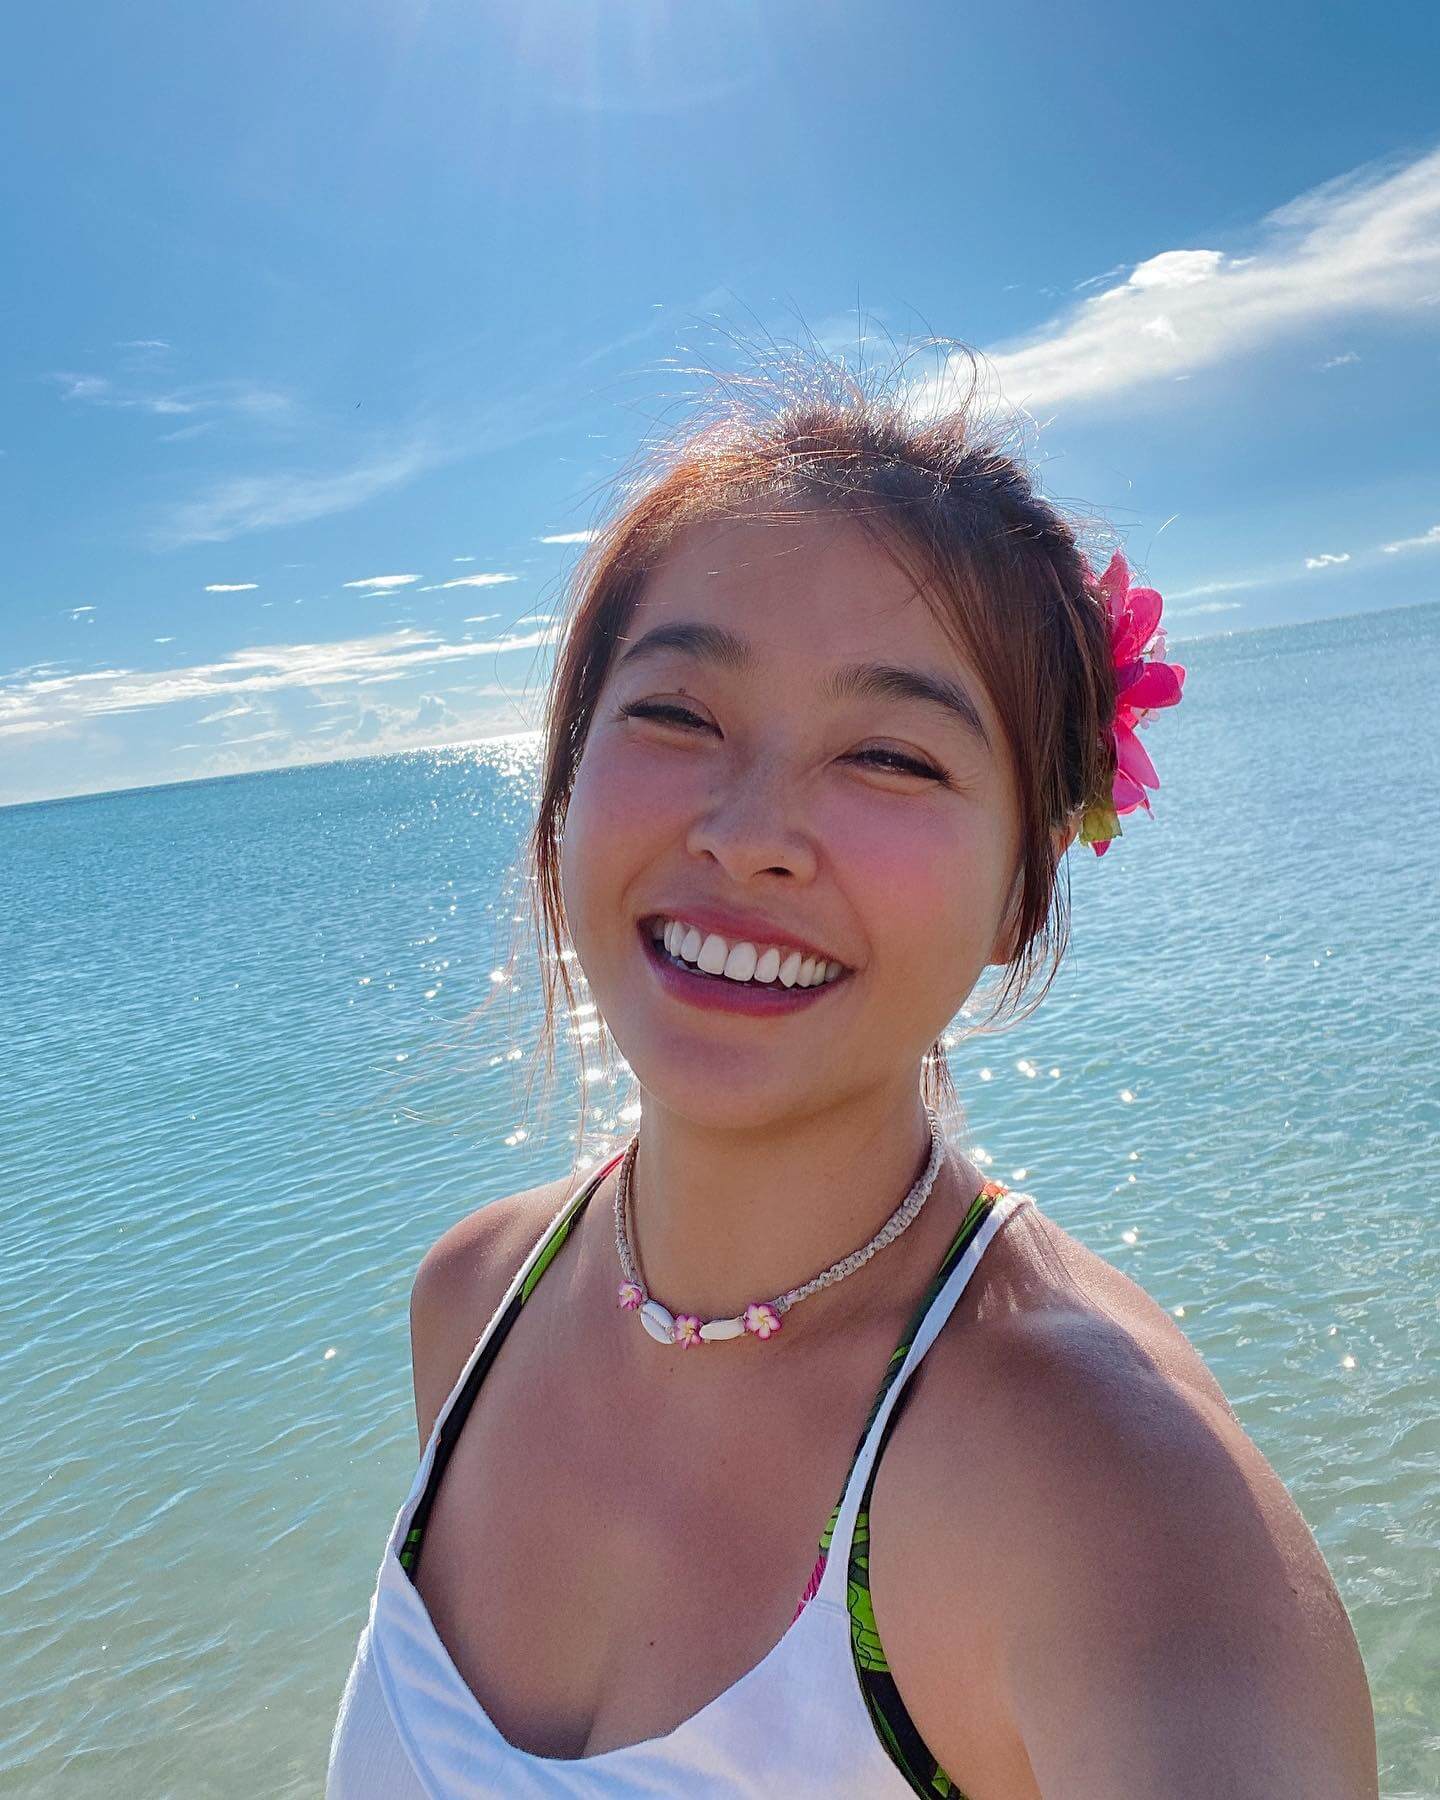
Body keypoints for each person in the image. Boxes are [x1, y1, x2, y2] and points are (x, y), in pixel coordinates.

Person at [326, 348, 1378, 1797]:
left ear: (1021, 891)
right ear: (567, 777)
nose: (750, 832)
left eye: (890, 755)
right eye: (676, 714)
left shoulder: (1112, 1509)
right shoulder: (471, 1305)